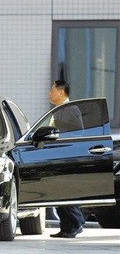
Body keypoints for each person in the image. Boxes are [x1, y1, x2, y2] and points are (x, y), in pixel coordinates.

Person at [49, 79, 85, 238]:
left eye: (53, 90)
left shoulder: (71, 109)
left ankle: (77, 223)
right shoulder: (58, 110)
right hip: (58, 156)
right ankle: (66, 226)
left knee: (66, 192)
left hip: (68, 156)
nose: (50, 94)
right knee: (58, 192)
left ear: (61, 92)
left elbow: (78, 131)